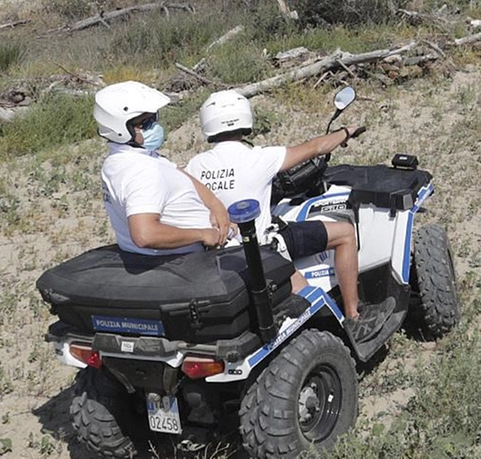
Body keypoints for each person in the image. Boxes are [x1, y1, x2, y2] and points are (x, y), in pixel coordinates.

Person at [186, 90, 393, 339]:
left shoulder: (195, 166)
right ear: (245, 119)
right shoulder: (258, 157)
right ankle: (353, 316)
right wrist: (346, 131)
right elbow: (318, 147)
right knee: (345, 233)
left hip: (222, 255)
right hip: (264, 252)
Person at [94, 81, 231, 256]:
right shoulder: (141, 170)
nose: (154, 126)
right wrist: (203, 234)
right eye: (145, 123)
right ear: (120, 129)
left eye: (154, 118)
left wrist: (215, 205)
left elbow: (176, 171)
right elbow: (145, 234)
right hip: (188, 260)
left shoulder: (127, 158)